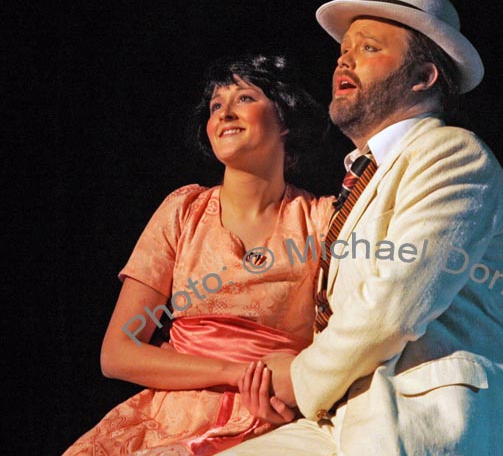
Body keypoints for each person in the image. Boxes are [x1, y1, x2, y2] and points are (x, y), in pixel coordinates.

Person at [219, 0, 503, 455]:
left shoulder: (452, 153)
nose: (344, 60)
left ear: (423, 77)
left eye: (369, 48)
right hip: (351, 422)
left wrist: (301, 378)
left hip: (434, 427)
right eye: (343, 51)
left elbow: (392, 305)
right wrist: (301, 396)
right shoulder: (367, 177)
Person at [62, 55, 335, 455]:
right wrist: (237, 372)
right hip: (170, 418)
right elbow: (117, 352)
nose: (225, 112)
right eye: (215, 105)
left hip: (276, 419)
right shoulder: (183, 211)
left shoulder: (322, 220)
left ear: (285, 119)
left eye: (244, 97)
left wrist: (293, 391)